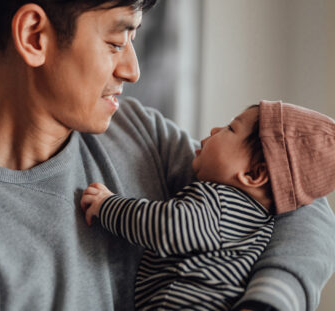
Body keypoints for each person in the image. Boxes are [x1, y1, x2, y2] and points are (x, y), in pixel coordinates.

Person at [0, 1, 335, 310]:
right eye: (116, 42)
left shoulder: (139, 133)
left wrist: (271, 300)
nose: (132, 69)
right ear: (35, 36)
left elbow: (297, 196)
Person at [80, 100, 335, 310]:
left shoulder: (221, 202)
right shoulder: (258, 220)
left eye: (230, 129)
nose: (214, 130)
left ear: (254, 175)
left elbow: (169, 227)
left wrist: (108, 206)